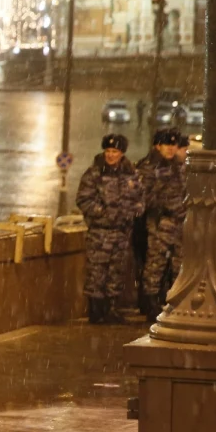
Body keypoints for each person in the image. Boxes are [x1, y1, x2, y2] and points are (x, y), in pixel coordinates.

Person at [77, 134, 144, 324]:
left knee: (116, 272)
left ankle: (111, 308)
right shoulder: (94, 174)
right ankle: (96, 310)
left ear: (122, 153)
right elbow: (83, 199)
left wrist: (134, 212)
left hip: (122, 233)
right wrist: (102, 213)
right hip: (100, 233)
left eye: (115, 151)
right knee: (97, 272)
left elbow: (140, 197)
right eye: (108, 151)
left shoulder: (131, 174)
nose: (111, 155)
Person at [135, 128, 185, 322]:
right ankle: (150, 303)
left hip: (180, 224)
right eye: (167, 145)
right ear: (158, 146)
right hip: (160, 222)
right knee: (155, 264)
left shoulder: (178, 166)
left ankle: (174, 302)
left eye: (173, 145)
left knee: (178, 265)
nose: (171, 149)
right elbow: (142, 197)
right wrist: (167, 204)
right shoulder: (149, 167)